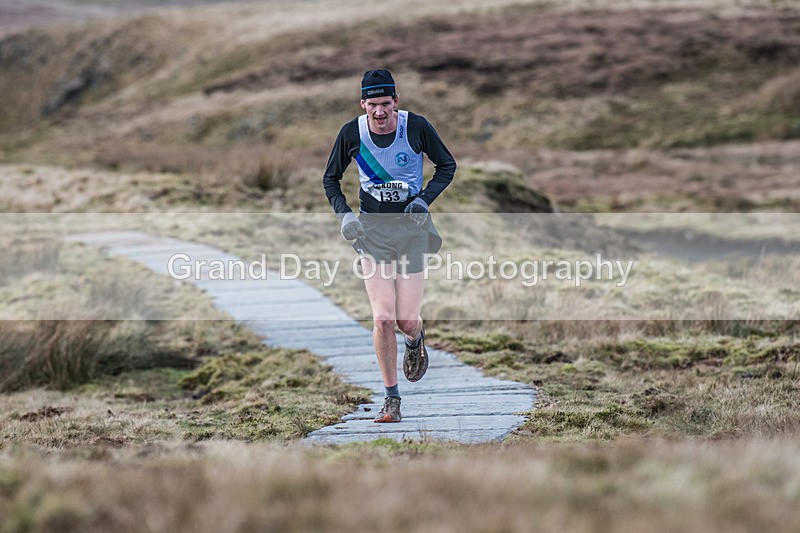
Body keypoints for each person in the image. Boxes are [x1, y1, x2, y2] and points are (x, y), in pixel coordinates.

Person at [322, 69, 456, 423]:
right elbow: (330, 179)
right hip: (373, 233)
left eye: (385, 103)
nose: (379, 112)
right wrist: (345, 216)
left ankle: (415, 337)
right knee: (382, 318)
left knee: (405, 320)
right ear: (362, 104)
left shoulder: (416, 127)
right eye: (372, 105)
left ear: (396, 101)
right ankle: (392, 400)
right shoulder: (352, 133)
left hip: (412, 232)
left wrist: (424, 200)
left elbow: (447, 166)